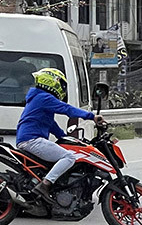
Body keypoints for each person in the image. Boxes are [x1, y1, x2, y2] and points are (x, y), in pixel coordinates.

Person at [15, 67, 101, 201]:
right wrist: (91, 116)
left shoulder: (38, 98)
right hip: (32, 140)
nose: (63, 88)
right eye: (61, 84)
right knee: (69, 157)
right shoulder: (44, 97)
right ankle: (45, 184)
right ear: (51, 82)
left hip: (29, 139)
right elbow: (67, 109)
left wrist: (64, 137)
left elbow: (50, 124)